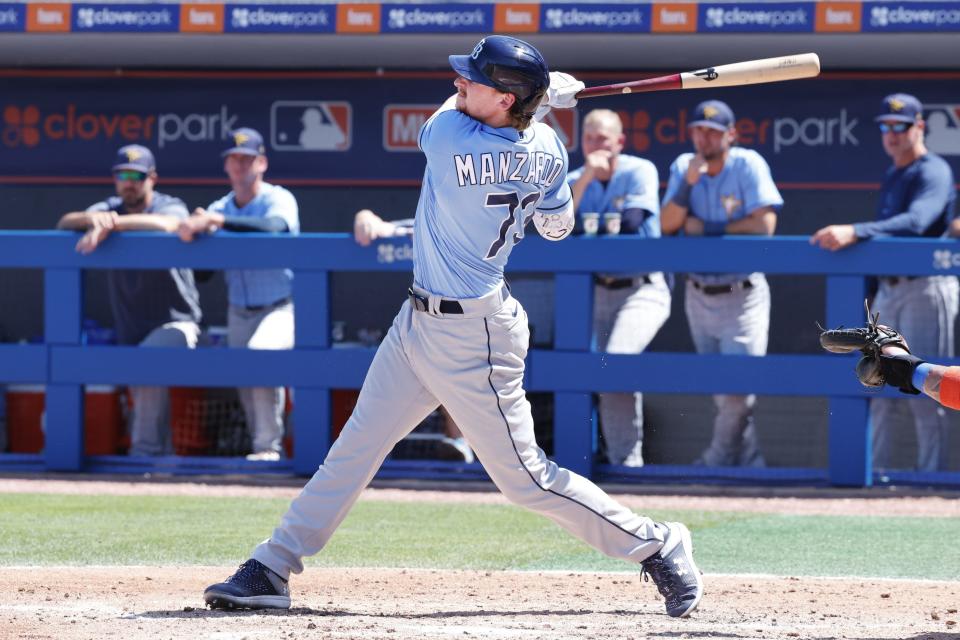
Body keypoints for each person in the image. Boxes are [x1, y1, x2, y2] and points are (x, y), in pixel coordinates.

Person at [203, 35, 703, 619]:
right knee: (355, 448)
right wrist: (544, 124)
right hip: (417, 323)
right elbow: (558, 228)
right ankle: (273, 565)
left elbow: (456, 119)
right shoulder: (545, 147)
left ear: (504, 97)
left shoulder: (447, 135)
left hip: (476, 338)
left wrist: (540, 107)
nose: (459, 83)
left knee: (526, 481)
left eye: (474, 80)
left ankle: (658, 542)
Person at [811, 93, 958, 472]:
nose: (892, 133)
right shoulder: (895, 172)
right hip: (893, 288)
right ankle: (877, 477)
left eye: (901, 125)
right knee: (881, 379)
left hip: (925, 286)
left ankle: (932, 479)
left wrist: (855, 230)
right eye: (886, 126)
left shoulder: (933, 170)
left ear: (919, 127)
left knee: (929, 382)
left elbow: (918, 221)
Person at [56, 145, 202, 456]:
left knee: (147, 364)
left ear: (152, 178)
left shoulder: (168, 204)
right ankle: (159, 454)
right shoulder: (108, 207)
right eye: (122, 175)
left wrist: (112, 225)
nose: (128, 182)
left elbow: (169, 225)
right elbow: (66, 221)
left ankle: (144, 454)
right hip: (131, 328)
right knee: (143, 379)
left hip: (178, 323)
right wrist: (96, 219)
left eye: (136, 176)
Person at [661, 100, 781, 468]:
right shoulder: (684, 167)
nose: (704, 137)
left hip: (741, 293)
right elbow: (667, 225)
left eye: (713, 131)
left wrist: (708, 229)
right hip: (698, 292)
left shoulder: (747, 164)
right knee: (722, 391)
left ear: (731, 134)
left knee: (737, 391)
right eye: (699, 129)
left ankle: (714, 461)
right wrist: (686, 186)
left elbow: (765, 227)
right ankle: (751, 463)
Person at [177, 128, 300, 462]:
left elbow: (275, 227)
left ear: (261, 163)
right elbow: (202, 273)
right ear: (227, 166)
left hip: (279, 306)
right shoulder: (219, 206)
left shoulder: (278, 198)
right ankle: (261, 446)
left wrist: (218, 222)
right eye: (235, 159)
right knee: (246, 380)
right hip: (239, 308)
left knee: (261, 359)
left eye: (247, 159)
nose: (240, 165)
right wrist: (197, 235)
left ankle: (268, 448)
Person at [567, 109, 670, 467]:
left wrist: (586, 228)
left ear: (620, 142)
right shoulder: (576, 177)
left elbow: (631, 222)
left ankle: (628, 462)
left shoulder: (639, 169)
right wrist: (585, 180)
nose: (596, 146)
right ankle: (620, 460)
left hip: (642, 286)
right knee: (597, 373)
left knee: (616, 363)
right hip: (596, 290)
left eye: (603, 139)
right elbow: (558, 225)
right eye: (590, 138)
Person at [353, 208, 473, 463]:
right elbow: (368, 224)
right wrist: (367, 219)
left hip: (455, 331)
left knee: (448, 356)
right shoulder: (419, 223)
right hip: (406, 333)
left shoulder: (466, 225)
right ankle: (374, 452)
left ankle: (460, 441)